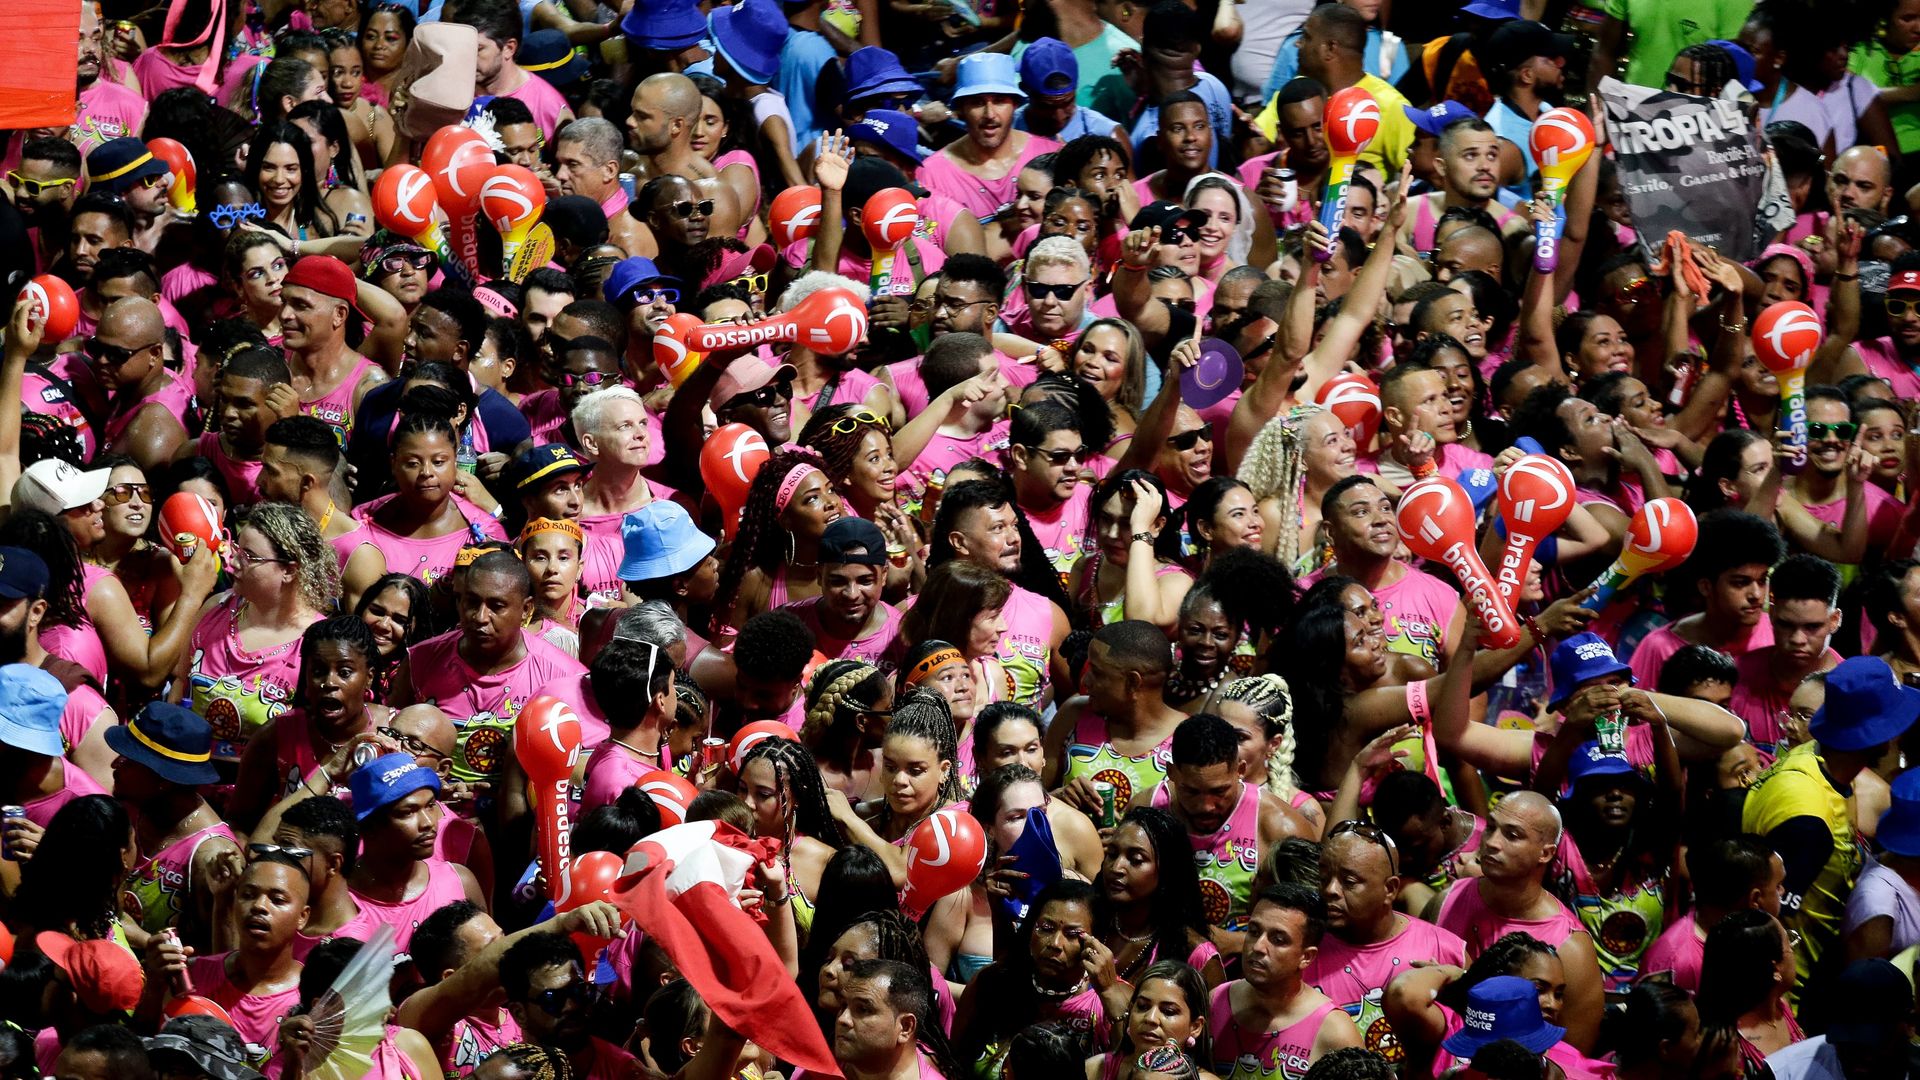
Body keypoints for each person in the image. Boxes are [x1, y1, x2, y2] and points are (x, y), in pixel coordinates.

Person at [1745, 655, 1920, 996]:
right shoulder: (1808, 817)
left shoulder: (1812, 759)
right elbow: (1766, 919)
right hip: (1789, 996)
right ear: (1877, 733)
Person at [394, 550, 587, 784]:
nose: (480, 617)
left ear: (526, 610)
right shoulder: (421, 660)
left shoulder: (565, 676)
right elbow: (391, 745)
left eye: (496, 606)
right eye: (472, 602)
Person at [1434, 791, 1606, 1052]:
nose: (1491, 842)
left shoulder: (1570, 948)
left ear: (1545, 853)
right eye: (1491, 827)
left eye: (1512, 835)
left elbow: (1572, 1058)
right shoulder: (1446, 901)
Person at [173, 503, 334, 767]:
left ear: (289, 570)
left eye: (248, 555)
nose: (232, 561)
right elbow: (180, 683)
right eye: (236, 549)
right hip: (189, 774)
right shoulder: (216, 608)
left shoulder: (318, 643)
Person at [1304, 820, 1467, 1061]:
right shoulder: (1303, 952)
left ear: (1390, 889)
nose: (1330, 890)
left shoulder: (1444, 949)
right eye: (1324, 878)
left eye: (1349, 882)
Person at [142, 855, 309, 1064]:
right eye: (248, 895)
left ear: (303, 917)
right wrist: (155, 984)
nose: (259, 906)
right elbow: (144, 1043)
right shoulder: (193, 976)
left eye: (277, 900)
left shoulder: (309, 998)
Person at [109, 701, 240, 943]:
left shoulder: (210, 856)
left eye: (129, 760)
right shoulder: (133, 807)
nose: (115, 765)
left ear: (164, 780)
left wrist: (145, 941)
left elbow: (221, 962)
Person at [1207, 882, 1364, 1079]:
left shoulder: (1334, 1031)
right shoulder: (1215, 1002)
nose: (1258, 947)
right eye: (1254, 932)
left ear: (1306, 957)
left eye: (1278, 940)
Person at [1046, 620, 1189, 816]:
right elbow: (1031, 800)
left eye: (1097, 673)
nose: (1085, 681)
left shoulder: (1186, 740)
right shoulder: (1074, 715)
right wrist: (1058, 798)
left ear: (1132, 682)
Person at [1640, 834, 1784, 992]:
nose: (1783, 892)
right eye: (1778, 885)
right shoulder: (1677, 962)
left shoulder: (1747, 941)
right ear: (1755, 898)